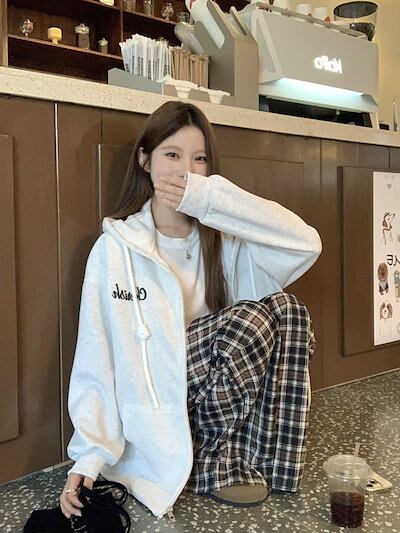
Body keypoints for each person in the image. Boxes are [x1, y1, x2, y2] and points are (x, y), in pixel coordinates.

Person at [60, 101, 322, 521]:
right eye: (171, 154)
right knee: (251, 321)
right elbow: (97, 356)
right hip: (159, 404)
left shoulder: (224, 241)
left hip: (213, 392)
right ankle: (209, 463)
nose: (185, 171)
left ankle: (260, 460)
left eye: (199, 159)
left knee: (289, 310)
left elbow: (307, 244)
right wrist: (89, 456)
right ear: (144, 160)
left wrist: (209, 201)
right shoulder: (116, 248)